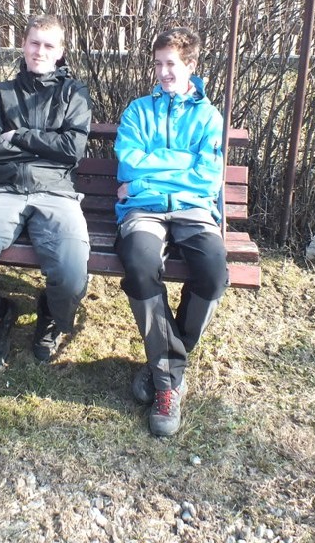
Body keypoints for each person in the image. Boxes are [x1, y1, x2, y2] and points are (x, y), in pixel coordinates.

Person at [0, 15, 92, 369]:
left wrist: (20, 136)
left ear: (60, 52)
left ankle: (50, 313)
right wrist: (46, 144)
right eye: (34, 43)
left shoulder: (74, 93)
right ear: (23, 45)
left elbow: (72, 149)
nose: (40, 51)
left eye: (49, 45)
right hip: (3, 191)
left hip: (56, 193)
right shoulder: (0, 94)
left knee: (72, 277)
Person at [114, 27, 229, 437]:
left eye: (172, 64)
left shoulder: (208, 117)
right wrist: (178, 164)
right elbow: (128, 163)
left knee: (213, 273)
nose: (164, 72)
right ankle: (168, 382)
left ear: (191, 65)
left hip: (193, 210)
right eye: (158, 63)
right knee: (140, 264)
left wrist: (153, 168)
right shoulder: (137, 111)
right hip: (143, 208)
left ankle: (164, 362)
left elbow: (207, 178)